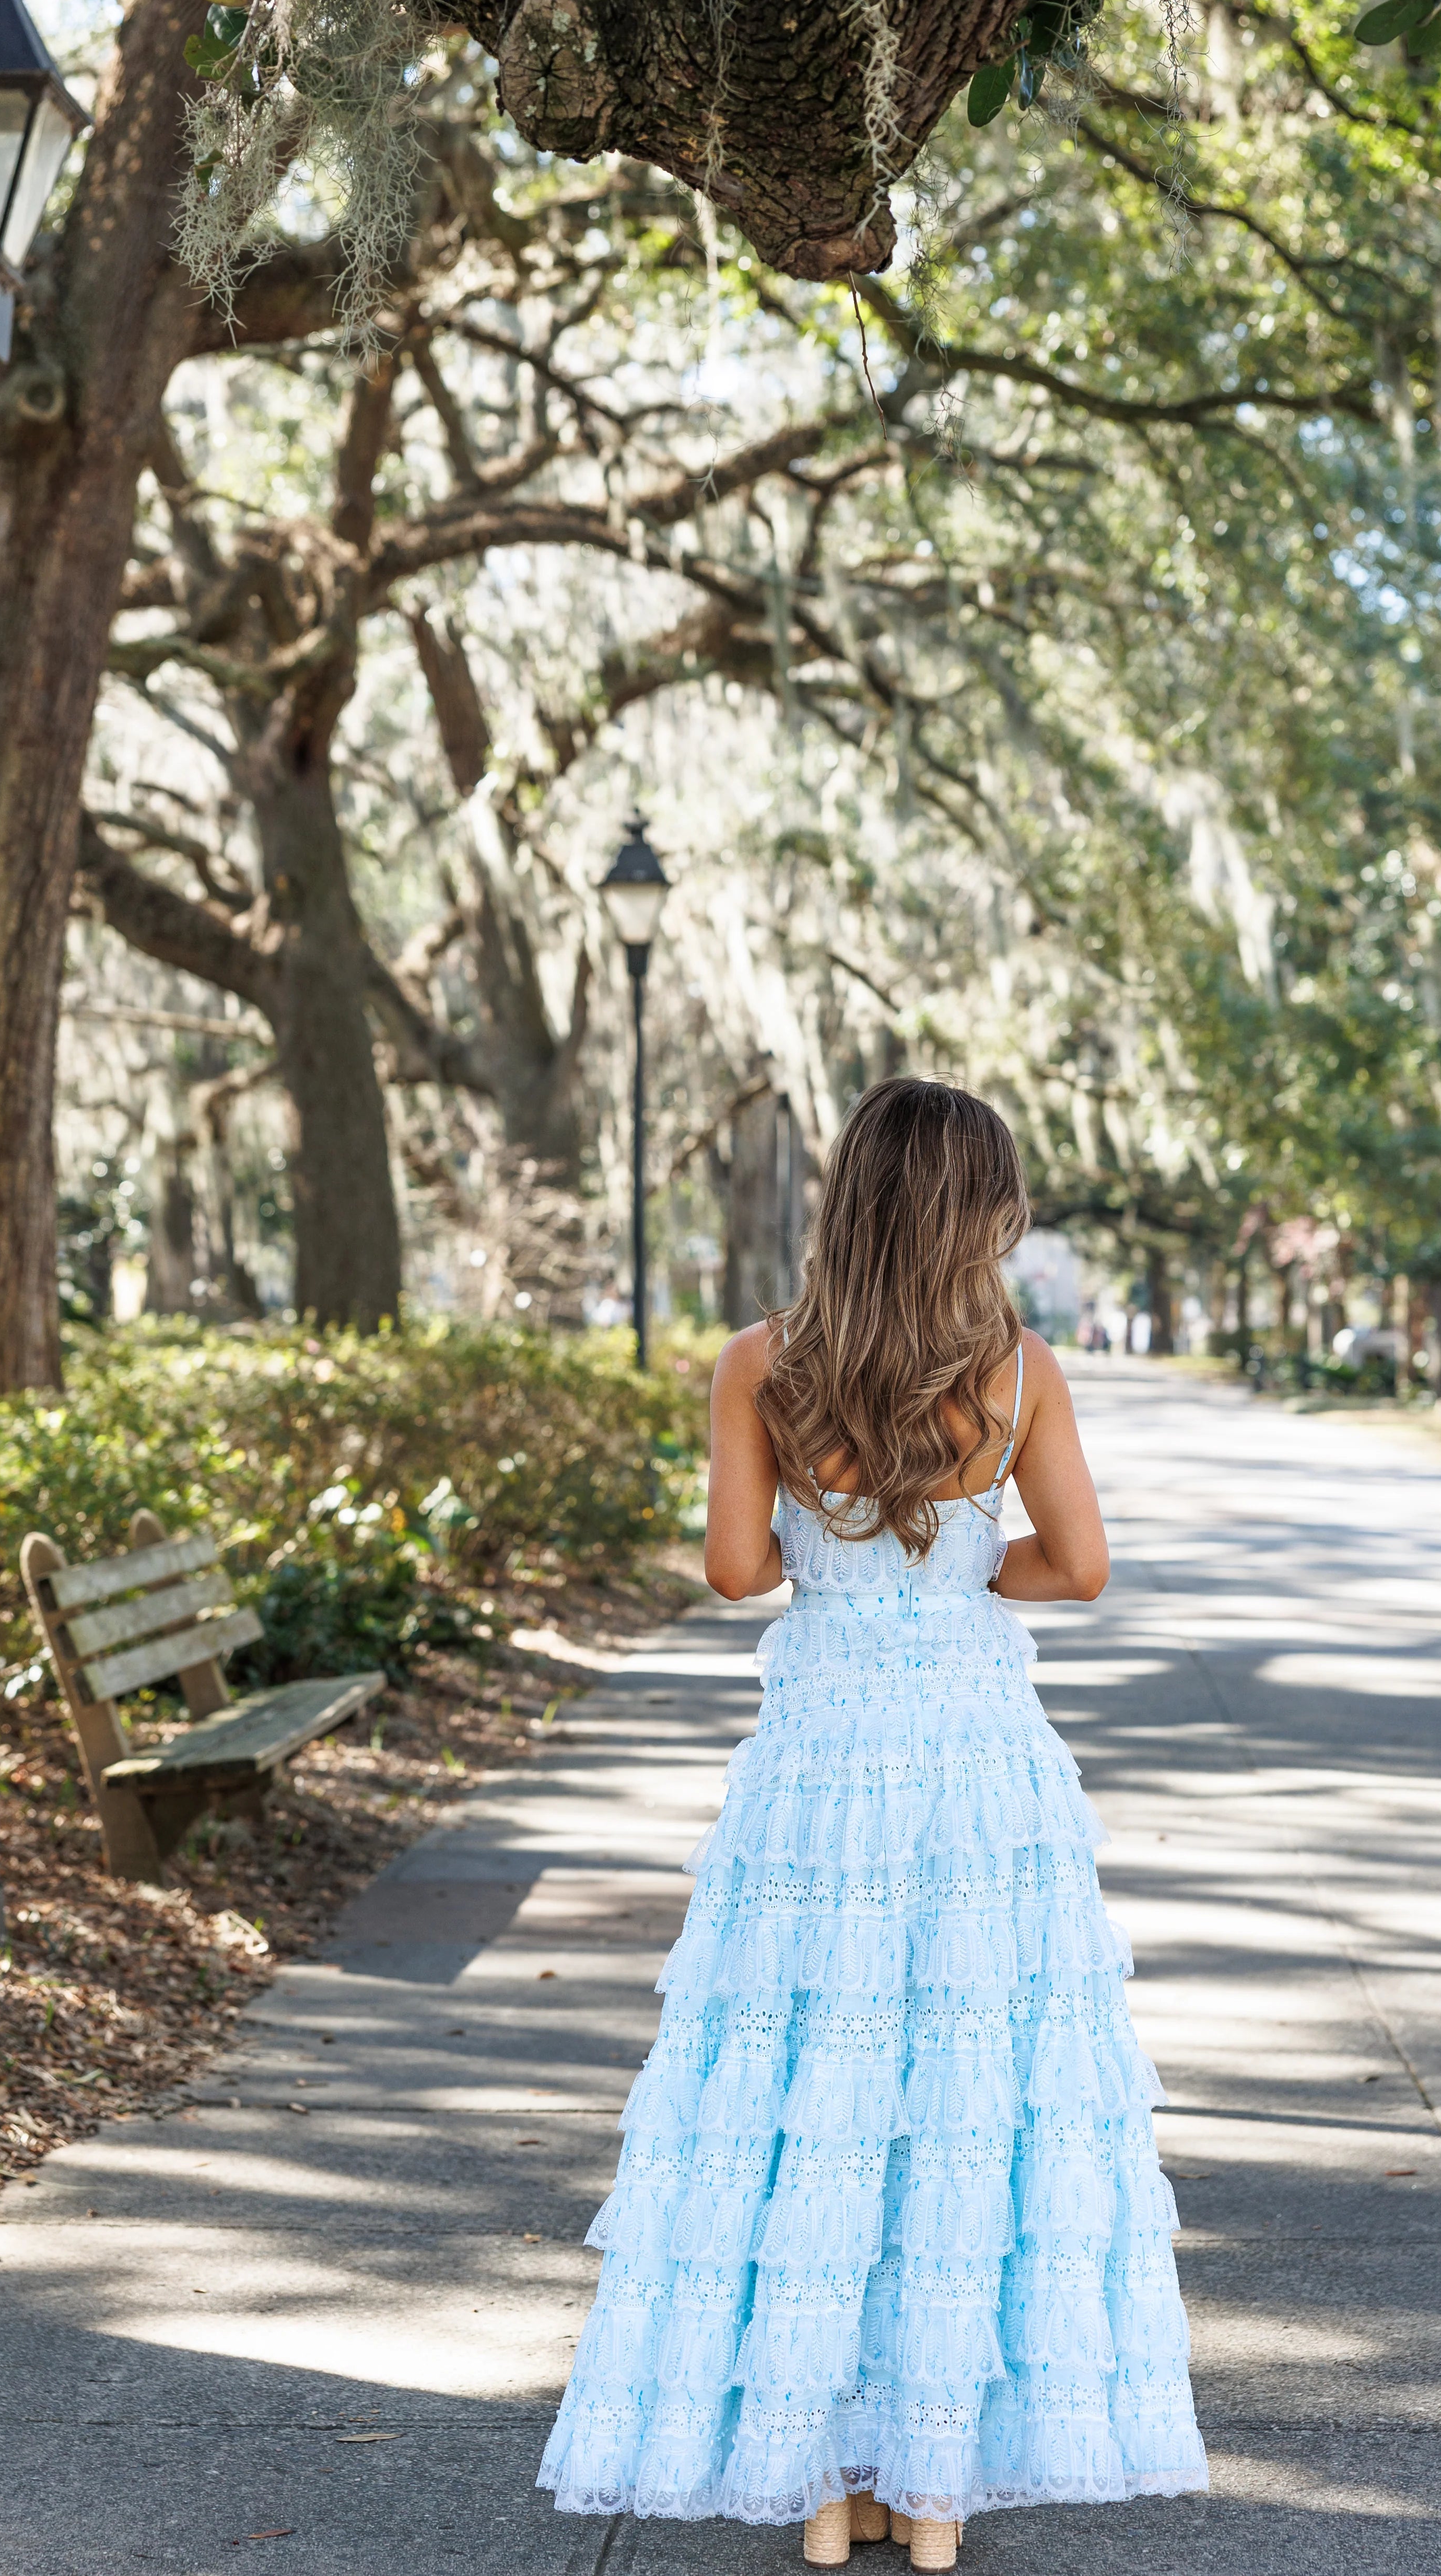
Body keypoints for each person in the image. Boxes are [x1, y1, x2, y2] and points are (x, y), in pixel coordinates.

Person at [538, 1078, 1207, 2567]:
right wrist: (966, 1583)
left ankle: (819, 2486)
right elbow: (1080, 1567)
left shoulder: (762, 1365)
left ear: (847, 1198)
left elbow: (730, 1571)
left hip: (820, 1767)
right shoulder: (1020, 1370)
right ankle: (939, 2493)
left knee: (806, 2089)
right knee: (962, 2099)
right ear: (983, 1213)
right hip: (976, 1761)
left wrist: (830, 1556)